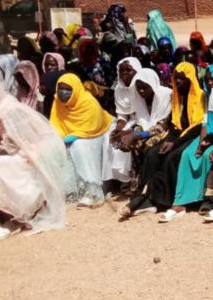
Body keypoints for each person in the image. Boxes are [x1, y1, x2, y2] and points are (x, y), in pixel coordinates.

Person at [0, 78, 67, 241]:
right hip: (18, 153)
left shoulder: (11, 112)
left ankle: (13, 219)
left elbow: (14, 146)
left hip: (32, 156)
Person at [161, 64, 213, 223]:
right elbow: (205, 123)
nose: (210, 82)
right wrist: (201, 143)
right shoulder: (209, 96)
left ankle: (209, 199)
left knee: (209, 156)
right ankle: (180, 202)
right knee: (188, 154)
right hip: (212, 134)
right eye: (208, 79)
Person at [126, 62, 206, 213]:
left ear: (190, 79)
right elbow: (174, 123)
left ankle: (167, 200)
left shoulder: (200, 97)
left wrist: (174, 143)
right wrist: (169, 140)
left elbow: (197, 126)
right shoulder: (178, 96)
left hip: (193, 135)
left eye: (181, 79)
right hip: (178, 135)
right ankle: (146, 197)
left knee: (172, 157)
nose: (177, 82)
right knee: (152, 154)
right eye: (175, 79)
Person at [116, 68, 172, 217]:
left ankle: (148, 193)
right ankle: (138, 189)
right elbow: (142, 121)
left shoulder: (165, 95)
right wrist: (131, 135)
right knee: (134, 145)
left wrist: (137, 135)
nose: (141, 90)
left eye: (144, 87)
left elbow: (162, 125)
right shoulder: (139, 99)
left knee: (149, 148)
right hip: (147, 132)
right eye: (138, 87)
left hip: (167, 133)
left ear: (153, 85)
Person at [50, 73, 112, 207]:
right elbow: (56, 124)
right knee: (54, 147)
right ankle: (69, 190)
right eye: (60, 89)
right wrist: (60, 138)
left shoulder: (88, 102)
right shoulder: (57, 103)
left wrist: (73, 136)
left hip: (96, 132)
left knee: (78, 146)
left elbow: (92, 126)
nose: (63, 92)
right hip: (73, 133)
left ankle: (93, 190)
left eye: (67, 89)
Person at [102, 57, 141, 189]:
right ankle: (115, 178)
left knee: (125, 138)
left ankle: (128, 178)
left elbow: (144, 115)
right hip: (129, 120)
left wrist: (128, 129)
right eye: (121, 70)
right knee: (109, 137)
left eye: (128, 70)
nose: (124, 73)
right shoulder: (119, 89)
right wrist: (119, 127)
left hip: (142, 120)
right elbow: (122, 114)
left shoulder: (142, 86)